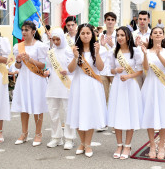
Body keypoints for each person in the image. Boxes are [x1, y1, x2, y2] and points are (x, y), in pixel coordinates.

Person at [66, 24, 107, 158]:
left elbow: (100, 68)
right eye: (82, 33)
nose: (85, 35)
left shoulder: (98, 50)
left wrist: (97, 53)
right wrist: (75, 56)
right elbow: (70, 70)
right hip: (78, 85)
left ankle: (88, 144)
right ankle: (82, 142)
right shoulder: (74, 50)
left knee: (89, 112)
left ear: (92, 35)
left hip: (92, 85)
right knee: (78, 112)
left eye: (88, 33)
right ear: (79, 35)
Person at [108, 26, 143, 160]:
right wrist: (116, 71)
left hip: (130, 85)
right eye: (118, 35)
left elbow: (140, 71)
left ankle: (127, 145)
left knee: (130, 114)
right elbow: (110, 70)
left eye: (122, 35)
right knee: (118, 114)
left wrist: (128, 76)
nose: (120, 38)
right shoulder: (113, 52)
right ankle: (119, 145)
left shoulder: (135, 51)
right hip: (118, 85)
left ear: (128, 36)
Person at [12, 21, 48, 147]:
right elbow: (17, 66)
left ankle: (38, 134)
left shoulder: (40, 46)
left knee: (37, 106)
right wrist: (18, 61)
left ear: (33, 31)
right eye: (22, 30)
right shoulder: (18, 47)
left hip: (36, 78)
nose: (23, 32)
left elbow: (43, 65)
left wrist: (29, 59)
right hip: (24, 79)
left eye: (26, 30)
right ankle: (24, 133)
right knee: (24, 106)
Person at [140, 27, 165, 160]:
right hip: (149, 85)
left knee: (163, 115)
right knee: (149, 115)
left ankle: (161, 145)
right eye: (155, 33)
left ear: (163, 36)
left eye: (160, 33)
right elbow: (146, 68)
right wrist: (144, 54)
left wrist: (159, 54)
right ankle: (152, 145)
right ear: (151, 37)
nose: (158, 35)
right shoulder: (146, 51)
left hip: (162, 86)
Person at [44, 28, 76, 150]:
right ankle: (56, 137)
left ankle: (69, 138)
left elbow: (74, 69)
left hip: (67, 84)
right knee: (53, 112)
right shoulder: (51, 52)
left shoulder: (69, 50)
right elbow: (50, 67)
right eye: (54, 39)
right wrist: (48, 71)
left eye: (58, 39)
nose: (56, 42)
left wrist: (67, 71)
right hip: (53, 85)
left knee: (68, 113)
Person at [100, 12, 117, 107]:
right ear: (105, 21)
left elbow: (121, 53)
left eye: (112, 20)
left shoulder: (119, 35)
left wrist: (112, 45)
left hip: (114, 70)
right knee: (103, 97)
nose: (110, 22)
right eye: (108, 20)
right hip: (103, 71)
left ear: (115, 22)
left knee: (115, 97)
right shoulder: (100, 36)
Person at [133, 11, 151, 87]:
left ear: (148, 20)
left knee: (148, 94)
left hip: (150, 68)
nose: (142, 21)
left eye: (144, 19)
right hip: (137, 68)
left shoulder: (153, 33)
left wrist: (148, 45)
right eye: (140, 19)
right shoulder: (133, 34)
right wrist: (135, 45)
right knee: (137, 93)